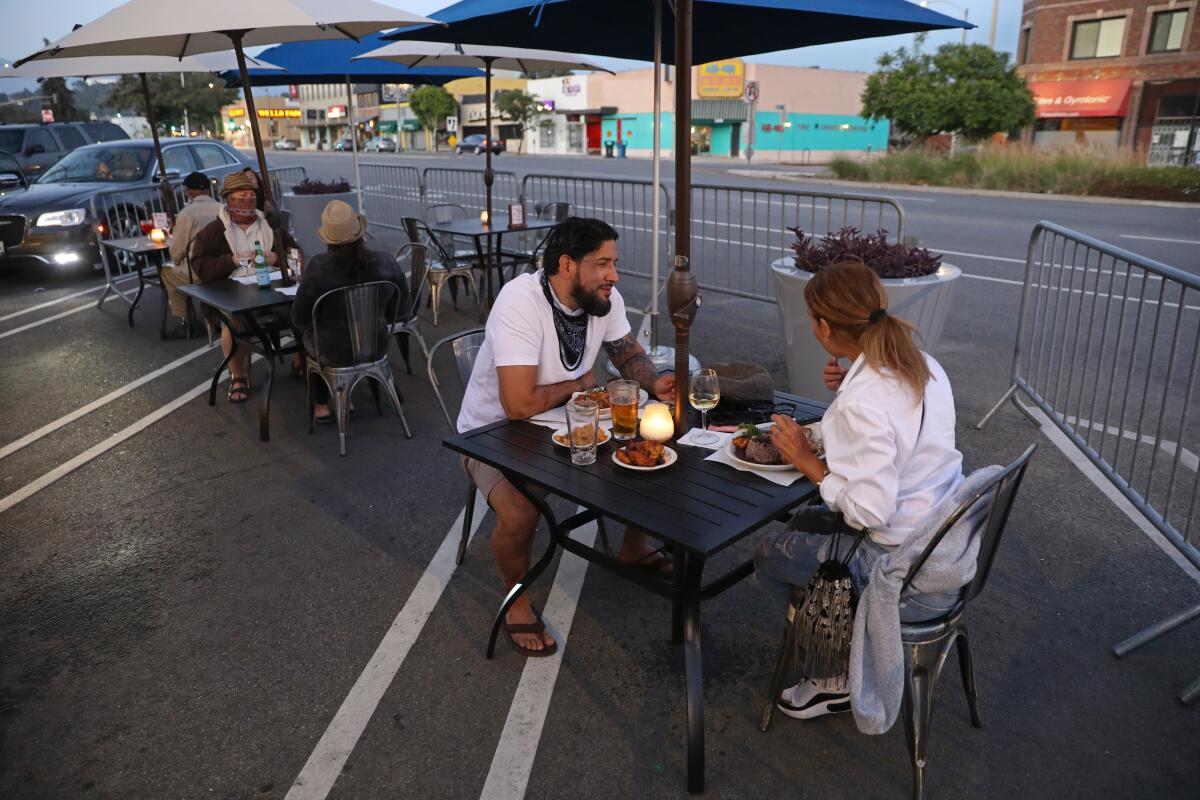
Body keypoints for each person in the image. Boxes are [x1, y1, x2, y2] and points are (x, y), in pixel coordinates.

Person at [754, 261, 965, 720]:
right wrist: (851, 381)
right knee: (804, 523)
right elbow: (890, 429)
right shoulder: (922, 364)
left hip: (903, 568)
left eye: (812, 319)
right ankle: (830, 632)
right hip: (944, 542)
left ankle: (833, 674)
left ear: (825, 327)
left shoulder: (863, 400)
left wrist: (808, 463)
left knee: (770, 550)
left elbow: (868, 512)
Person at [457, 217, 676, 657]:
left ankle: (633, 545)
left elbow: (627, 353)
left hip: (572, 425)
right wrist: (578, 384)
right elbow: (517, 405)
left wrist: (658, 383)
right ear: (567, 265)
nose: (614, 275)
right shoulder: (521, 301)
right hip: (493, 435)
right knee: (520, 514)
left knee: (658, 440)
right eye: (603, 264)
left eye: (614, 263)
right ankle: (516, 601)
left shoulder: (602, 299)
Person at [291, 200, 408, 424]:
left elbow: (300, 319)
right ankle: (346, 396)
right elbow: (402, 310)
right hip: (376, 345)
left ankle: (321, 405)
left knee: (307, 335)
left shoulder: (318, 267)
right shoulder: (385, 261)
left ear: (328, 239)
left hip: (332, 351)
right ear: (359, 233)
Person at [190, 171, 301, 404]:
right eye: (241, 197)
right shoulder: (212, 233)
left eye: (251, 197)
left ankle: (303, 360)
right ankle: (238, 375)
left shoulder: (271, 227)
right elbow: (200, 266)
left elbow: (296, 255)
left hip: (275, 290)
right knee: (233, 322)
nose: (247, 202)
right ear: (228, 199)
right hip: (235, 296)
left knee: (303, 310)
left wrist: (277, 258)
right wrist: (230, 261)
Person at [160, 171, 220, 336]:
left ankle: (186, 321)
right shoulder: (223, 208)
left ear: (190, 192)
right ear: (208, 190)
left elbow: (177, 251)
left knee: (167, 273)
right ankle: (215, 315)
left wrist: (176, 259)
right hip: (224, 266)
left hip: (199, 270)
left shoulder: (188, 212)